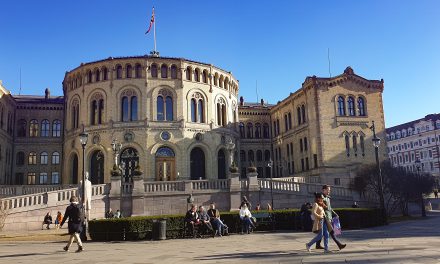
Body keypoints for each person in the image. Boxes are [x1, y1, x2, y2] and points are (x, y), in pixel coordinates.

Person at [316, 185, 347, 250]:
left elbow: (330, 208)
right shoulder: (322, 197)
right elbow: (319, 204)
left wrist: (335, 214)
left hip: (329, 216)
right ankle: (339, 245)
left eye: (329, 190)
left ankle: (317, 245)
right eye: (327, 190)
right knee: (331, 232)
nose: (329, 191)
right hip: (325, 217)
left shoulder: (328, 198)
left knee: (323, 233)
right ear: (323, 190)